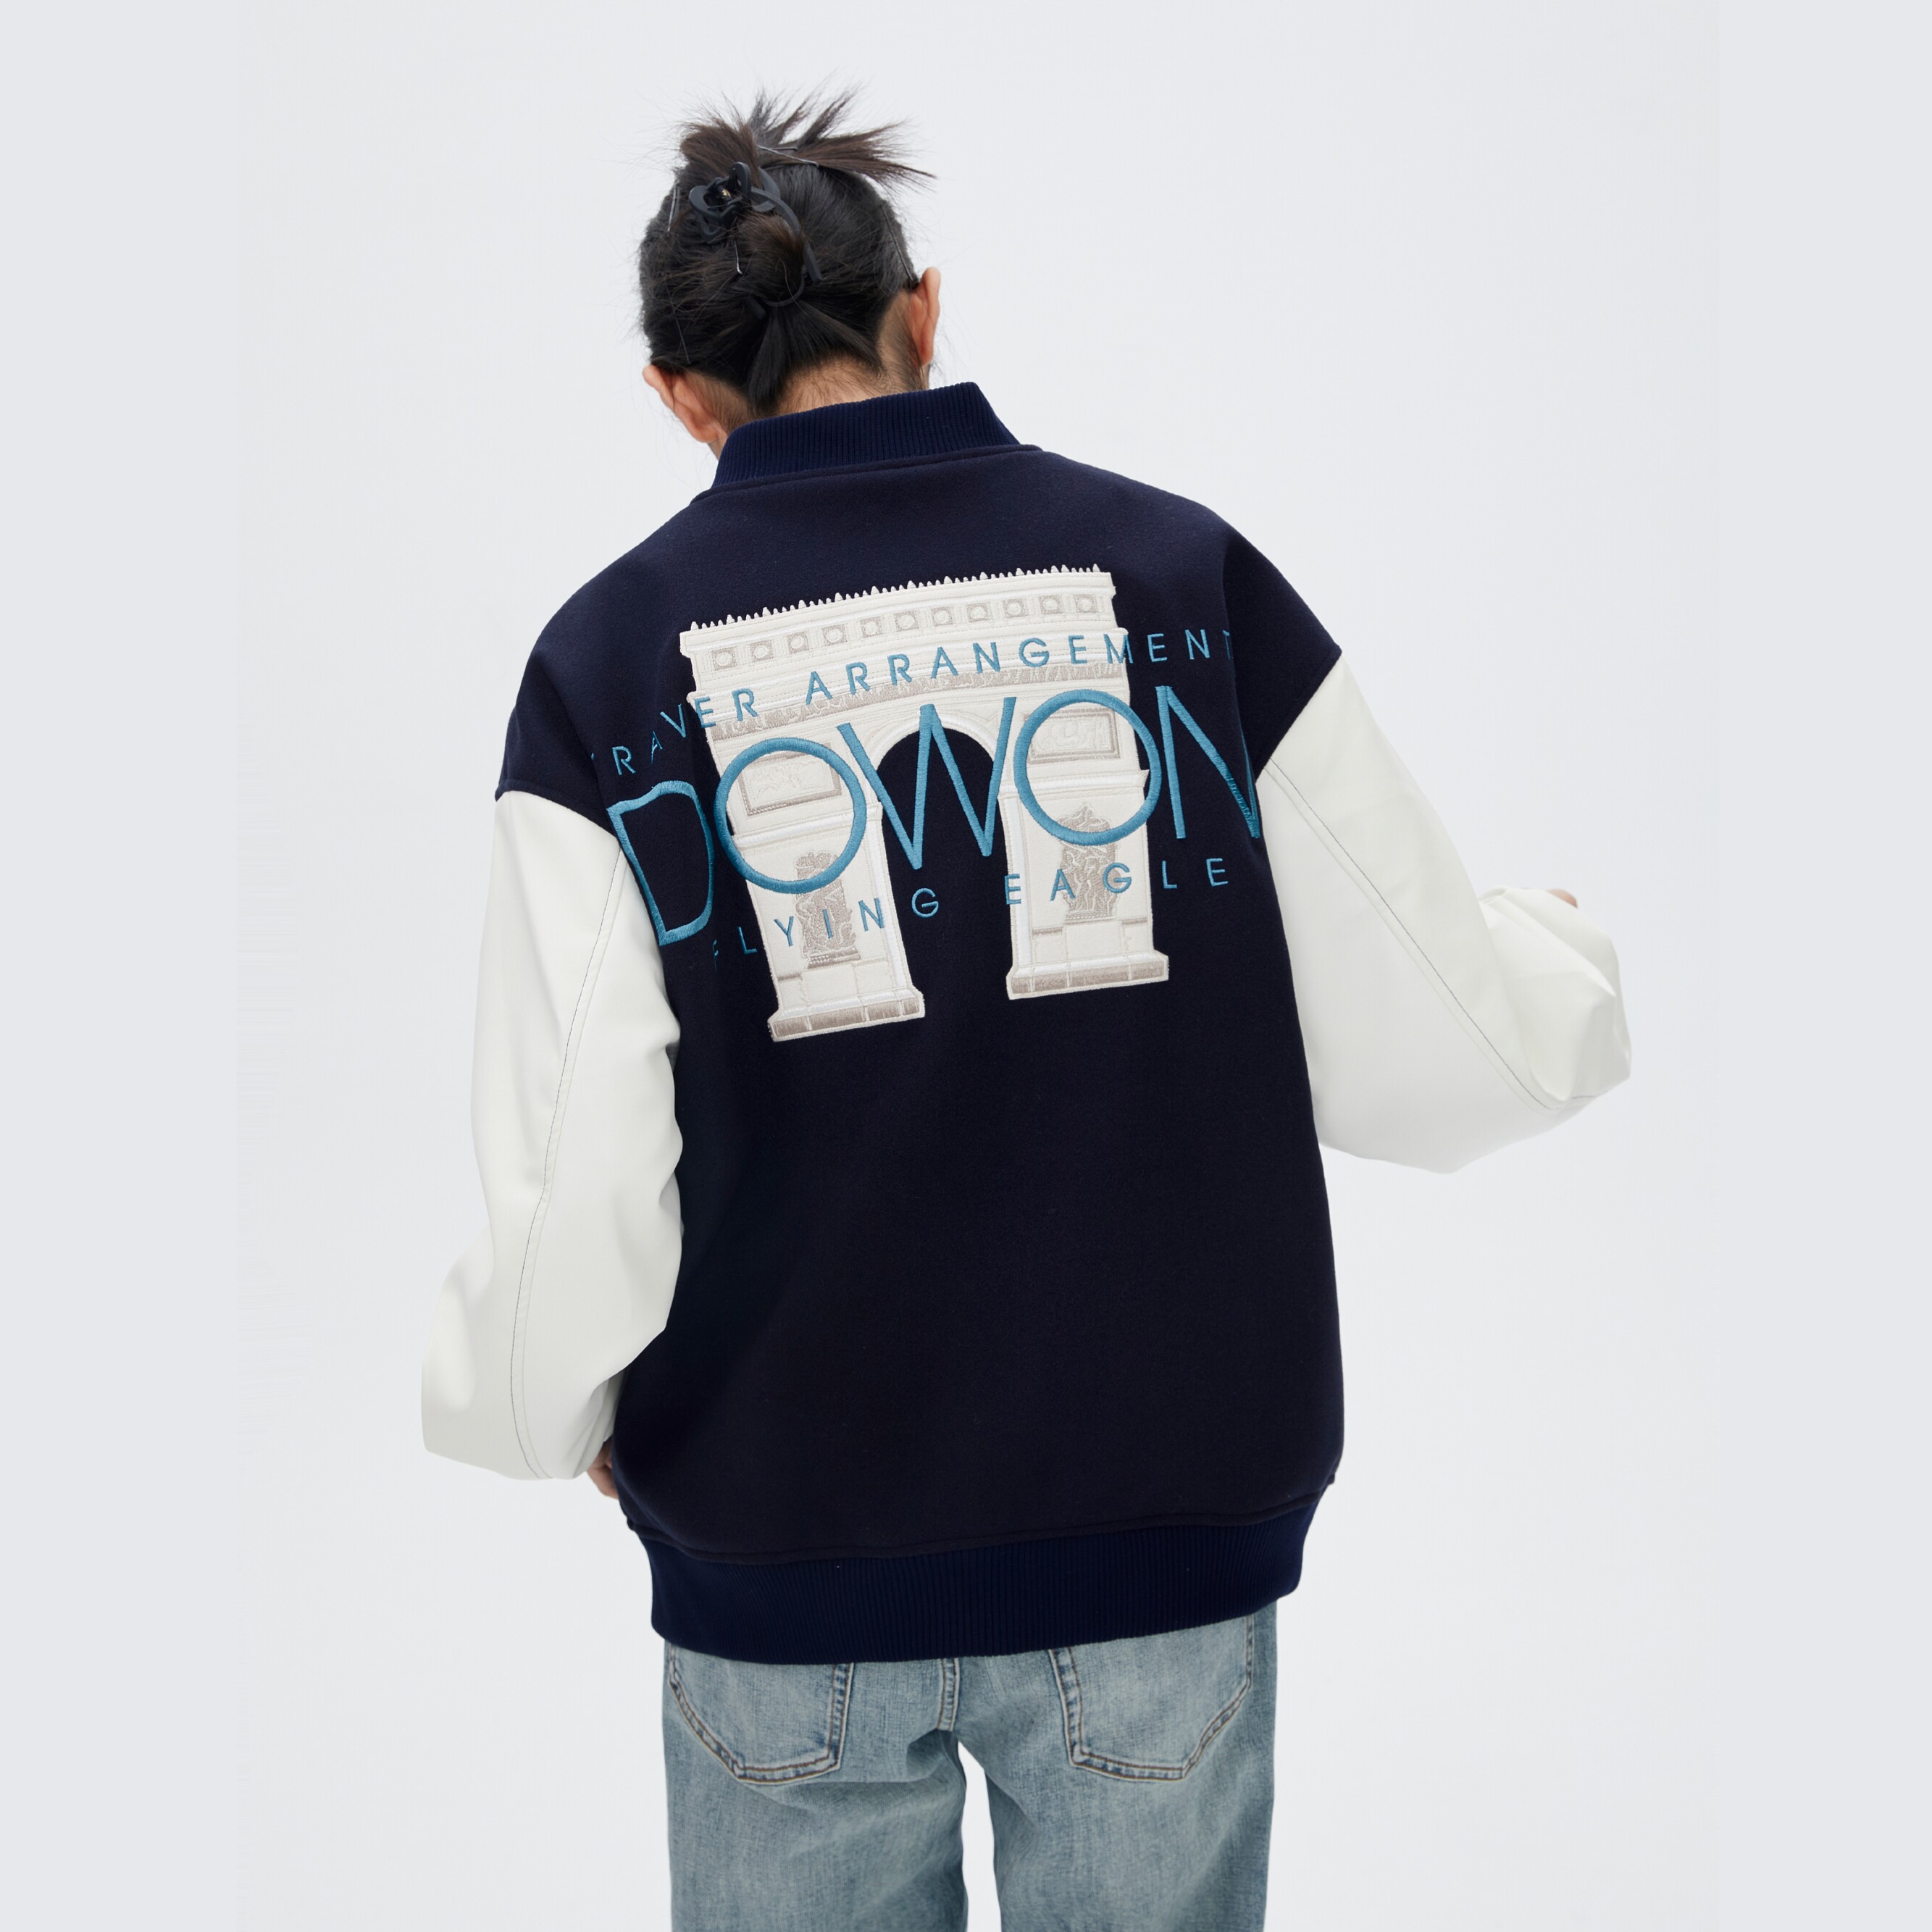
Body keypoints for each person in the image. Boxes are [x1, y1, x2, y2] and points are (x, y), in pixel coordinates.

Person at [421, 91, 1631, 1932]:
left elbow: (574, 1151)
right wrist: (1562, 959)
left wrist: (538, 1400)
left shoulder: (606, 668)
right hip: (1159, 1547)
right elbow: (1445, 1044)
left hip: (784, 1564)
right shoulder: (1178, 582)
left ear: (675, 393)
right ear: (921, 307)